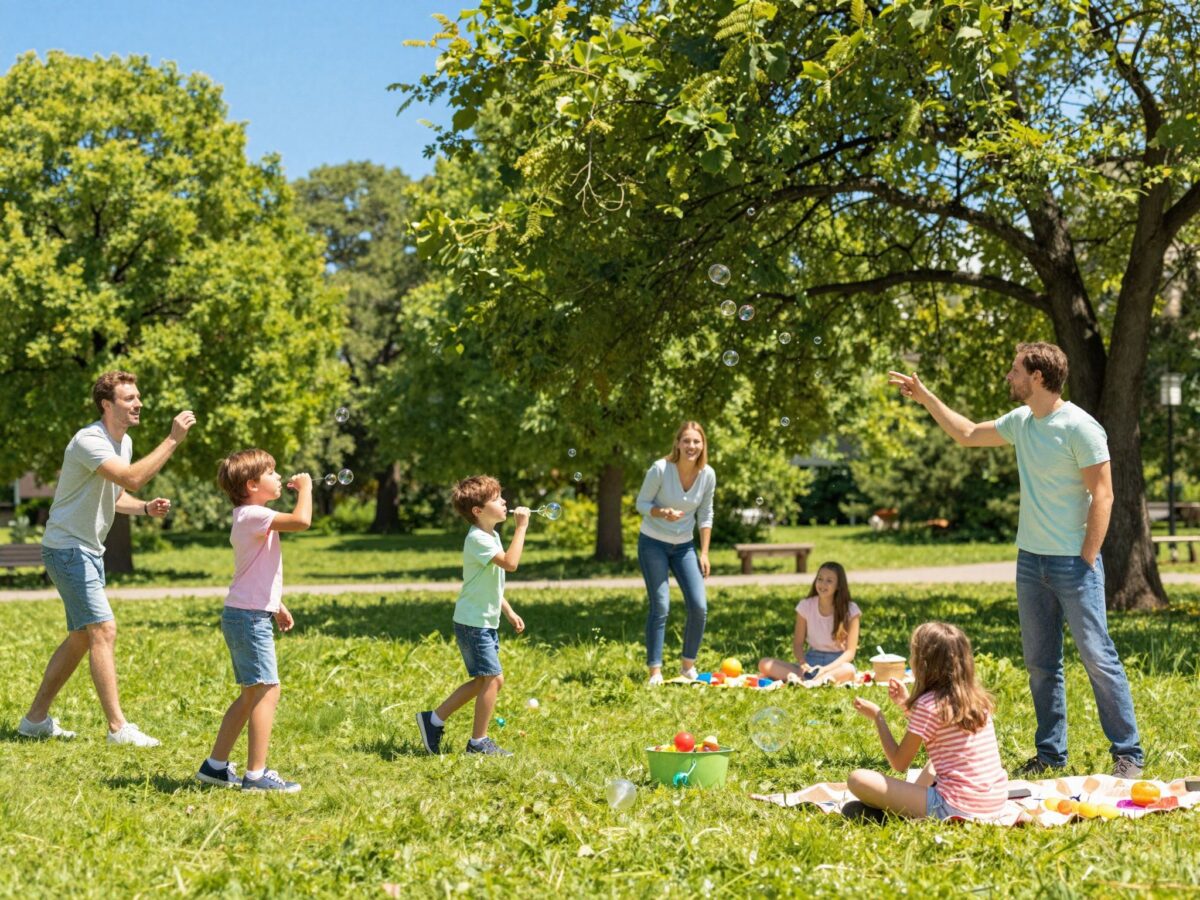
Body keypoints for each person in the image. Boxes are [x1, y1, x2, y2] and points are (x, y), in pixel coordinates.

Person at [889, 342, 1143, 778]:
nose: (1009, 377)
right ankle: (1050, 754)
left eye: (1015, 370)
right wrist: (926, 396)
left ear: (1038, 377)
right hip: (1031, 563)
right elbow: (967, 433)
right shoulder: (1022, 421)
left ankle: (1128, 754)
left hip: (1073, 564)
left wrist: (1087, 558)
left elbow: (1104, 494)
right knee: (1041, 664)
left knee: (1098, 657)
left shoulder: (1080, 427)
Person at [18, 371, 194, 747]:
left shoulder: (123, 443)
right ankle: (118, 728)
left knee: (82, 638)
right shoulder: (89, 440)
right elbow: (131, 479)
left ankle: (34, 720)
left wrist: (145, 508)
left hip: (88, 548)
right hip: (68, 548)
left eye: (138, 396)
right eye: (129, 398)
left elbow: (115, 495)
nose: (139, 403)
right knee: (103, 629)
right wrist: (172, 440)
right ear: (107, 404)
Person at [195, 449, 310, 792]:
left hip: (247, 612)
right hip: (247, 618)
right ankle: (256, 775)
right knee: (266, 690)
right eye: (272, 473)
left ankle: (215, 767)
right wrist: (306, 489)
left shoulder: (252, 516)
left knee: (251, 694)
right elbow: (302, 521)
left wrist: (276, 604)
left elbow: (256, 571)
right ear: (252, 484)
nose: (279, 477)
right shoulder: (253, 515)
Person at [848, 622, 1009, 821]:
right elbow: (939, 730)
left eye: (913, 654)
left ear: (924, 663)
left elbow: (899, 763)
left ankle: (902, 813)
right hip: (995, 803)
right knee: (934, 763)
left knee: (858, 779)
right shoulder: (976, 698)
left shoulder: (928, 704)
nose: (911, 659)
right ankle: (906, 806)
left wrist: (878, 717)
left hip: (953, 807)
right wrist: (905, 705)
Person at [416, 475, 528, 756]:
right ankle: (478, 742)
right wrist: (522, 527)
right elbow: (511, 564)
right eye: (496, 498)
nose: (504, 502)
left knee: (486, 679)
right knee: (492, 678)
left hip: (483, 620)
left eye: (502, 496)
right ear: (478, 511)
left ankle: (433, 720)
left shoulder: (491, 535)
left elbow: (489, 582)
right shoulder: (478, 538)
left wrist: (509, 610)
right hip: (473, 623)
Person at [635, 421, 716, 686]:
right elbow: (641, 504)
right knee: (661, 605)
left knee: (699, 606)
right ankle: (655, 671)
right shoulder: (660, 469)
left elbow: (705, 514)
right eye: (686, 441)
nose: (691, 446)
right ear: (678, 444)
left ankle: (687, 667)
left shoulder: (707, 475)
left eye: (696, 441)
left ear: (702, 445)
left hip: (684, 547)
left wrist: (704, 552)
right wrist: (662, 512)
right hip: (653, 543)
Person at [758, 561, 860, 685]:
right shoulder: (805, 606)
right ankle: (814, 680)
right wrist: (802, 663)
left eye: (829, 580)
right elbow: (798, 643)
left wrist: (826, 669)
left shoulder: (851, 610)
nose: (823, 584)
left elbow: (850, 652)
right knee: (764, 663)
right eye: (820, 579)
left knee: (849, 670)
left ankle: (811, 680)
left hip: (837, 663)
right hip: (811, 661)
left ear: (838, 585)